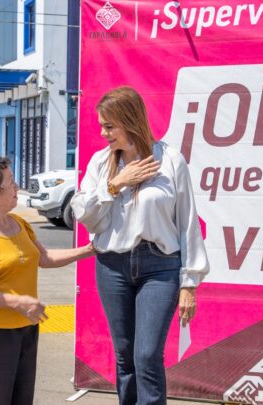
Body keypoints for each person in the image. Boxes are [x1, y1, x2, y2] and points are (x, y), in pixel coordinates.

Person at [70, 86, 210, 405]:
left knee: (146, 355)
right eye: (102, 126)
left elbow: (187, 222)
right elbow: (84, 214)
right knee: (125, 355)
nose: (103, 133)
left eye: (109, 126)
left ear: (129, 121)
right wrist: (115, 184)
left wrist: (189, 283)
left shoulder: (171, 160)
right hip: (112, 267)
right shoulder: (101, 163)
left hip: (159, 267)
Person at [0, 155, 95, 405]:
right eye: (10, 182)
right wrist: (16, 301)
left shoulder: (19, 224)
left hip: (26, 329)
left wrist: (89, 250)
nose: (16, 186)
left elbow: (45, 257)